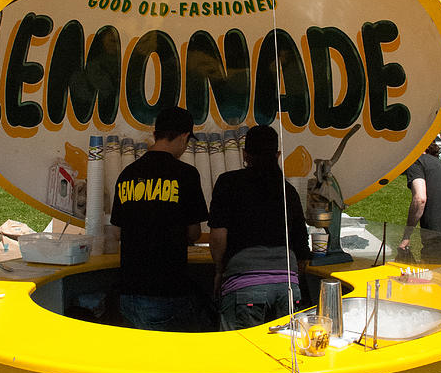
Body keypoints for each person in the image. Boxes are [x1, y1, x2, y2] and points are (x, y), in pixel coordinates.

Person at [110, 106, 208, 331]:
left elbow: (117, 231)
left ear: (155, 134)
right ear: (184, 136)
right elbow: (194, 232)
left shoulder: (127, 174)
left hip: (128, 292)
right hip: (167, 292)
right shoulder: (186, 174)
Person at [208, 124, 311, 331]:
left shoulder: (228, 183)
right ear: (278, 155)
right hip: (288, 288)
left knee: (242, 350)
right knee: (285, 348)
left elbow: (218, 235)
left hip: (244, 287)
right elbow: (301, 248)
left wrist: (220, 271)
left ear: (245, 154)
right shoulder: (288, 191)